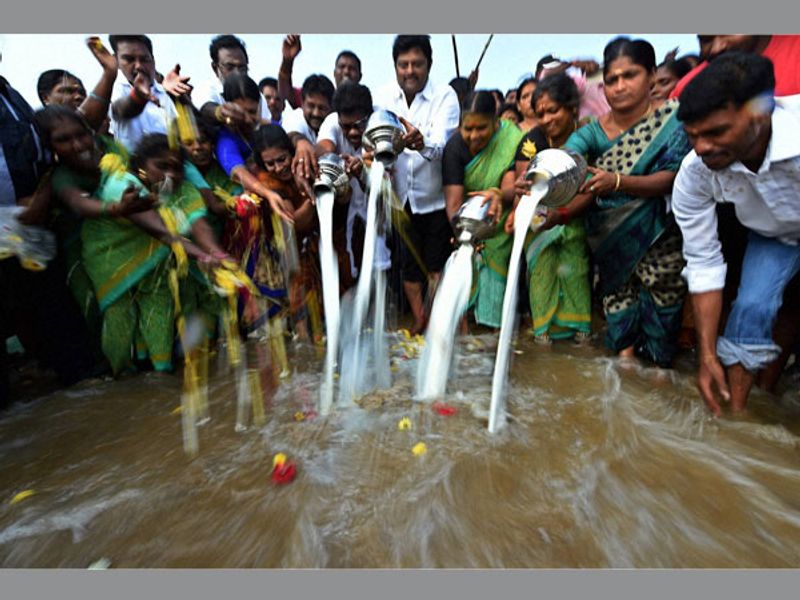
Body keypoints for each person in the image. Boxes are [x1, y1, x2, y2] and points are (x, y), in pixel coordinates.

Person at [672, 53, 800, 416]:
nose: (701, 147)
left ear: (760, 115)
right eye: (692, 135)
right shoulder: (695, 172)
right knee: (752, 308)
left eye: (715, 132)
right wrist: (708, 355)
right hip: (774, 235)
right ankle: (736, 418)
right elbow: (703, 262)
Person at [559, 37, 692, 366]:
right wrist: (546, 175)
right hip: (611, 239)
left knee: (664, 304)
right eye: (611, 80)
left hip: (661, 235)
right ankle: (625, 368)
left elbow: (673, 178)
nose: (619, 87)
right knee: (619, 314)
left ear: (651, 76)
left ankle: (661, 370)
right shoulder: (593, 131)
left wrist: (618, 181)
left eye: (629, 75)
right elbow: (569, 154)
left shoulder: (673, 122)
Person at [85, 133, 223, 374]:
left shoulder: (184, 191)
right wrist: (203, 256)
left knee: (158, 319)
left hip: (160, 268)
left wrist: (216, 254)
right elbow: (161, 232)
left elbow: (199, 224)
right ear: (140, 165)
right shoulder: (123, 185)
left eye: (177, 168)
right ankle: (119, 379)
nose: (170, 175)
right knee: (119, 323)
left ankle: (161, 375)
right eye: (162, 166)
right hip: (115, 263)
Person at [1, 76, 99, 406]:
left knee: (56, 319)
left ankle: (88, 398)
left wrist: (43, 192)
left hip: (30, 231)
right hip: (16, 225)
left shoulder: (11, 97)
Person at [373, 34, 460, 334]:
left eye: (417, 64)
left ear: (429, 65)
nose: (410, 71)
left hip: (435, 199)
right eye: (404, 64)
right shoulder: (383, 98)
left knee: (436, 267)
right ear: (395, 66)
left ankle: (436, 322)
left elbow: (442, 146)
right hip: (400, 200)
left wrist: (421, 143)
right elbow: (376, 143)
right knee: (408, 267)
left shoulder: (445, 97)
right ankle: (420, 319)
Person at [507, 73, 592, 343]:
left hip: (575, 226)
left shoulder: (587, 139)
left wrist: (563, 214)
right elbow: (524, 187)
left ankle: (581, 340)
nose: (546, 120)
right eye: (540, 114)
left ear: (572, 108)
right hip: (540, 227)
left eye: (553, 111)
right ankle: (542, 340)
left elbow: (590, 190)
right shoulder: (534, 141)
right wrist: (517, 210)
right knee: (541, 280)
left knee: (575, 277)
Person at [442, 91, 523, 328]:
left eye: (481, 128)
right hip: (467, 223)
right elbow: (454, 205)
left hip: (502, 220)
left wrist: (498, 195)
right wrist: (465, 235)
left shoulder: (510, 138)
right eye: (468, 129)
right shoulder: (454, 148)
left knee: (497, 280)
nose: (474, 136)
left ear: (496, 123)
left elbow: (511, 187)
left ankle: (494, 335)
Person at [316, 81, 390, 291]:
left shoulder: (381, 122)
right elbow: (323, 148)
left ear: (369, 115)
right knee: (343, 255)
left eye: (358, 125)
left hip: (377, 199)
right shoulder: (332, 121)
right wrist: (336, 160)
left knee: (379, 255)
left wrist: (363, 171)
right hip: (345, 197)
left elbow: (385, 179)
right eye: (345, 127)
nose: (352, 133)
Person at [213, 73, 295, 223]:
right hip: (247, 214)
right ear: (228, 107)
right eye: (240, 112)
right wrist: (268, 194)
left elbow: (292, 140)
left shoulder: (270, 127)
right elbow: (239, 172)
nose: (247, 119)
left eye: (252, 111)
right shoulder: (225, 140)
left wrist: (302, 143)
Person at [107, 34, 191, 151]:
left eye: (144, 59)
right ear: (115, 61)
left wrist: (182, 98)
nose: (139, 66)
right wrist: (137, 97)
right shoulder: (112, 90)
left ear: (153, 60)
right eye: (129, 59)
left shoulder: (164, 93)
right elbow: (121, 109)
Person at [194, 34, 273, 127]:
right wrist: (220, 112)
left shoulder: (258, 97)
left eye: (242, 67)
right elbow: (205, 108)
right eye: (229, 67)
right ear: (215, 68)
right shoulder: (205, 91)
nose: (237, 73)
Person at [278, 34, 363, 108]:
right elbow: (286, 93)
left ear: (360, 76)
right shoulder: (320, 97)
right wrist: (287, 61)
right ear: (334, 73)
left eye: (352, 68)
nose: (346, 72)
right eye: (342, 67)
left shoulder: (365, 106)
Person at [282, 74, 335, 146]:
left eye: (322, 108)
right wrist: (301, 143)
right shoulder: (295, 118)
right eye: (311, 106)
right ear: (302, 103)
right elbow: (292, 134)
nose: (316, 113)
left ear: (331, 108)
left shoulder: (334, 122)